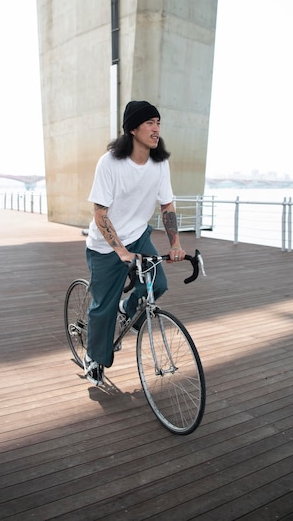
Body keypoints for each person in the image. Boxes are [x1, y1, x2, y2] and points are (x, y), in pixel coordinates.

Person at [84, 100, 186, 386]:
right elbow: (100, 213)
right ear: (132, 129)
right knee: (103, 307)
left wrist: (175, 243)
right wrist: (119, 250)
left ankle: (127, 311)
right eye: (150, 123)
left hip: (138, 235)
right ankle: (95, 358)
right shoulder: (110, 164)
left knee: (159, 284)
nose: (157, 129)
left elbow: (167, 205)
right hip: (106, 245)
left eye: (158, 123)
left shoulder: (159, 162)